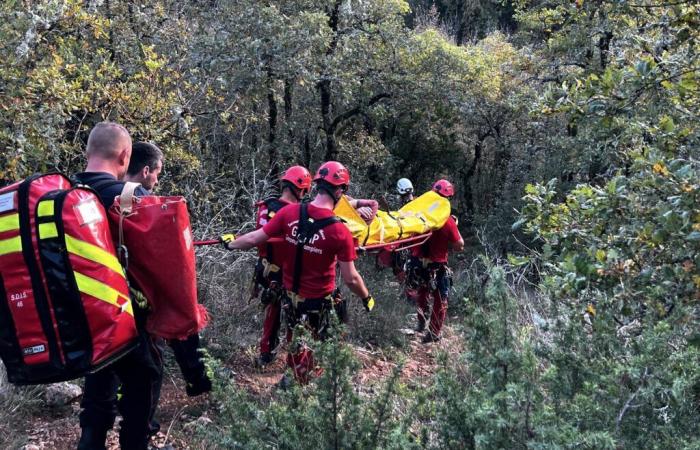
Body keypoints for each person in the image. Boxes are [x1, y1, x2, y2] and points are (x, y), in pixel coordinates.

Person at [223, 161, 375, 383]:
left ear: (316, 186)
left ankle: (294, 380)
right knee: (325, 344)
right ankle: (304, 385)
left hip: (292, 300)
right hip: (320, 301)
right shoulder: (340, 232)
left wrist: (231, 243)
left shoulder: (289, 213)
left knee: (297, 340)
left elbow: (255, 238)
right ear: (340, 191)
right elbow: (351, 278)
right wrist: (366, 297)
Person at [73, 123, 161, 450]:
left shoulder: (60, 193)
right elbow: (160, 268)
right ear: (125, 156)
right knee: (143, 387)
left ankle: (90, 442)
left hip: (75, 318)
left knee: (97, 390)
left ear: (87, 151)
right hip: (125, 319)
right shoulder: (130, 197)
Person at [124, 142, 212, 438]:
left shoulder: (95, 194)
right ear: (146, 170)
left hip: (106, 300)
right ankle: (144, 429)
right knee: (150, 368)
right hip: (142, 300)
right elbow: (165, 260)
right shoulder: (141, 201)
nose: (157, 180)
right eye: (157, 173)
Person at [248, 165, 312, 367]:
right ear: (301, 189)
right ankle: (295, 362)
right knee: (295, 317)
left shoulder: (266, 206)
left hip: (267, 270)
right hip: (290, 273)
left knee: (272, 312)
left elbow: (258, 238)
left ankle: (266, 353)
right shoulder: (299, 213)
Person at [406, 179, 464, 344]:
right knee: (440, 298)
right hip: (437, 265)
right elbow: (460, 245)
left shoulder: (419, 213)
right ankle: (434, 332)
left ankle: (421, 322)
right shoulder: (447, 221)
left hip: (418, 262)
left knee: (422, 293)